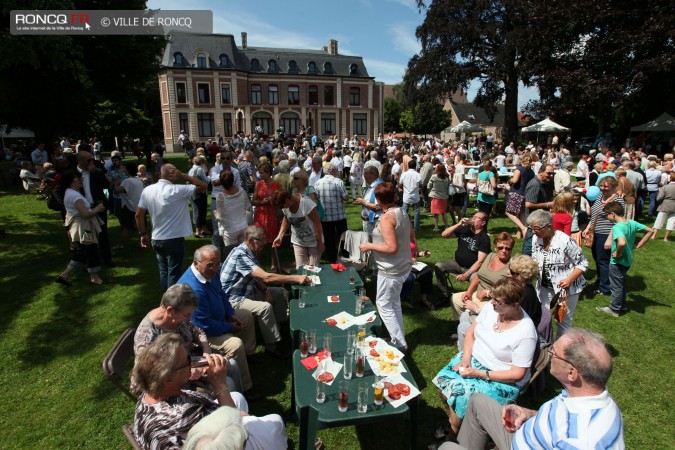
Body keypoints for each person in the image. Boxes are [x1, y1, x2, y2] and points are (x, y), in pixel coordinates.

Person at [439, 328, 625, 450]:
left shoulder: (580, 440)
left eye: (554, 353)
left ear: (571, 373)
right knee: (478, 401)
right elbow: (559, 419)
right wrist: (529, 413)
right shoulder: (588, 395)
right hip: (525, 435)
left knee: (446, 448)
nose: (549, 355)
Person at [132, 334, 287, 450]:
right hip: (217, 442)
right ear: (167, 379)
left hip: (203, 431)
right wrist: (219, 383)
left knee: (237, 397)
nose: (193, 363)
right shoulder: (186, 416)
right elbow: (231, 424)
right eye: (187, 362)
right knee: (276, 421)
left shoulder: (148, 396)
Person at [432, 277, 538, 436]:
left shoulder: (525, 332)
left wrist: (480, 374)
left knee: (459, 396)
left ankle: (453, 433)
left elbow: (517, 374)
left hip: (501, 378)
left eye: (498, 302)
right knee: (442, 384)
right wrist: (466, 358)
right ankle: (458, 423)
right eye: (493, 298)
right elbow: (470, 333)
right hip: (474, 360)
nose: (492, 303)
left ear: (515, 304)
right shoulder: (492, 308)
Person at [177, 246, 259, 399]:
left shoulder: (209, 273)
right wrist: (230, 327)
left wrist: (231, 314)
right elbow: (204, 325)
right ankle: (246, 387)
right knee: (234, 344)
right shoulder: (194, 289)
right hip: (202, 333)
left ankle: (248, 356)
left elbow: (221, 294)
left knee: (246, 315)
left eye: (218, 264)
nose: (215, 269)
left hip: (218, 318)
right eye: (210, 265)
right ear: (196, 263)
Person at [133, 284, 241, 394]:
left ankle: (240, 406)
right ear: (170, 310)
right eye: (187, 315)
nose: (189, 319)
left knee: (232, 365)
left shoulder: (176, 317)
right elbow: (148, 375)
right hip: (173, 381)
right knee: (228, 382)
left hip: (190, 363)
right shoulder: (148, 335)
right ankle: (231, 406)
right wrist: (187, 372)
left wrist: (206, 349)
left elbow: (198, 331)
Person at [221, 226, 310, 359]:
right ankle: (272, 346)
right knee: (265, 308)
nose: (265, 243)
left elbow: (255, 275)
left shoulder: (249, 251)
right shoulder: (241, 255)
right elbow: (266, 277)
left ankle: (280, 329)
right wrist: (296, 278)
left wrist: (265, 290)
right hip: (234, 299)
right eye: (261, 240)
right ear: (251, 240)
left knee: (280, 292)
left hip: (248, 291)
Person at [135, 164, 208, 292]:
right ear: (173, 174)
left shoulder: (148, 190)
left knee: (164, 272)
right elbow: (203, 185)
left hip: (156, 238)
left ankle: (166, 299)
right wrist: (184, 176)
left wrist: (143, 233)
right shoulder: (178, 190)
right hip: (173, 239)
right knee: (174, 274)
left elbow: (138, 214)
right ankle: (172, 303)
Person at [358, 182, 413, 351]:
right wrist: (414, 248)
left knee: (383, 304)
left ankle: (399, 342)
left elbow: (391, 247)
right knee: (393, 303)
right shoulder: (401, 211)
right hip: (402, 265)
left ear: (379, 199)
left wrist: (369, 246)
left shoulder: (387, 218)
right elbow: (411, 233)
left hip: (392, 268)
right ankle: (398, 337)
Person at [529, 210, 588, 338]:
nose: (533, 231)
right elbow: (535, 259)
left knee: (562, 320)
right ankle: (543, 346)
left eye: (536, 228)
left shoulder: (565, 241)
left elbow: (582, 263)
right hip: (544, 286)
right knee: (542, 316)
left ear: (549, 226)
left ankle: (560, 353)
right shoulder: (536, 238)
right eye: (531, 228)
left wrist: (568, 280)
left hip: (567, 289)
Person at [597, 202, 653, 317]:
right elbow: (650, 230)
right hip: (627, 260)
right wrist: (640, 244)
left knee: (616, 286)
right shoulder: (631, 223)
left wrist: (617, 253)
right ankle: (622, 305)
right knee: (621, 283)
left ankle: (614, 309)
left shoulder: (617, 227)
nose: (607, 217)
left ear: (612, 214)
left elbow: (621, 242)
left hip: (617, 261)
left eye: (607, 215)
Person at [452, 233, 515, 335]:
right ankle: (461, 329)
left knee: (468, 313)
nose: (504, 250)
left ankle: (473, 332)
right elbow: (478, 276)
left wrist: (487, 293)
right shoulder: (490, 256)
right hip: (477, 294)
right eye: (500, 247)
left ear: (511, 249)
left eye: (508, 248)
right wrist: (468, 292)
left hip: (493, 301)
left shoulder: (512, 266)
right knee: (455, 299)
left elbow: (508, 291)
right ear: (495, 247)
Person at [54, 171, 106, 286]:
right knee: (91, 251)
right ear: (71, 182)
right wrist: (97, 209)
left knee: (81, 253)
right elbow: (85, 214)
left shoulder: (70, 192)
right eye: (78, 179)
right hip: (83, 227)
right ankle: (94, 278)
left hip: (78, 227)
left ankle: (64, 276)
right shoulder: (75, 196)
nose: (81, 181)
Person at [434, 212, 491, 304]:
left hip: (472, 269)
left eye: (476, 218)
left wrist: (467, 274)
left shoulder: (484, 238)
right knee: (439, 266)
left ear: (483, 223)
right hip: (457, 264)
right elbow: (444, 234)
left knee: (475, 279)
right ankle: (444, 295)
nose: (473, 218)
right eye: (473, 216)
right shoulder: (465, 229)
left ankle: (472, 301)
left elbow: (480, 261)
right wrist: (458, 224)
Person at [582, 176, 625, 296]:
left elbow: (618, 221)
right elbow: (595, 214)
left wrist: (610, 239)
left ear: (613, 186)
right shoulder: (600, 196)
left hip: (606, 234)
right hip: (596, 233)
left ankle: (605, 288)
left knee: (603, 261)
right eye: (601, 186)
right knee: (598, 259)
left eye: (606, 186)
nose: (603, 188)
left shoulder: (617, 200)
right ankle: (600, 281)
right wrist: (588, 228)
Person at [76, 150, 115, 266]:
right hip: (83, 208)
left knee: (103, 233)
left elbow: (106, 185)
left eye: (91, 159)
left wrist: (96, 171)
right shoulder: (74, 174)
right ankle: (88, 261)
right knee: (85, 235)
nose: (91, 161)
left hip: (98, 206)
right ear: (79, 161)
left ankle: (107, 258)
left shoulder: (95, 170)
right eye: (88, 160)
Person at [271, 189, 324, 268]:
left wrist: (320, 243)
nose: (282, 208)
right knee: (300, 269)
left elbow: (317, 223)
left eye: (282, 206)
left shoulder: (306, 203)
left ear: (287, 200)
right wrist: (280, 236)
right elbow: (286, 219)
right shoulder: (285, 206)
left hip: (314, 241)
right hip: (298, 242)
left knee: (313, 270)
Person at [314, 163, 348, 262]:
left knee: (329, 239)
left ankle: (332, 259)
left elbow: (316, 199)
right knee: (344, 237)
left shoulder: (318, 183)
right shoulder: (338, 182)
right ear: (333, 171)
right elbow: (346, 197)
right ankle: (346, 256)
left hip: (325, 216)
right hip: (339, 216)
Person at [251, 162, 281, 272]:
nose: (260, 175)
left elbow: (280, 202)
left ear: (269, 173)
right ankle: (256, 263)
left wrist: (272, 201)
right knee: (258, 239)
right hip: (260, 215)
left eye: (262, 173)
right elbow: (253, 201)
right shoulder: (258, 184)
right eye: (259, 173)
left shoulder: (277, 185)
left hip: (271, 215)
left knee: (272, 241)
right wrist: (261, 202)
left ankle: (273, 264)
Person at [214, 170, 251, 258]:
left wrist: (215, 213)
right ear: (233, 180)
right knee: (243, 254)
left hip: (230, 230)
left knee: (232, 256)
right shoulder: (241, 191)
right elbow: (248, 207)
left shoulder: (220, 196)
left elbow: (220, 217)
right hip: (243, 226)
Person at [522, 164, 555, 256]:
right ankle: (523, 266)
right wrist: (548, 204)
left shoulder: (546, 183)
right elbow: (528, 204)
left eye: (553, 173)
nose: (551, 176)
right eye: (549, 173)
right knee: (529, 249)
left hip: (542, 222)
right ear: (540, 172)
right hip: (534, 224)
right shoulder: (534, 185)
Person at [354, 165, 383, 235]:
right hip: (369, 222)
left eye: (366, 173)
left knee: (373, 243)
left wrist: (363, 202)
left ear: (373, 175)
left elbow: (379, 206)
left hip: (375, 223)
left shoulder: (379, 187)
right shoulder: (371, 185)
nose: (363, 175)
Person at [188, 155, 210, 238]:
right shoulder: (200, 169)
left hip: (193, 192)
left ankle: (204, 228)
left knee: (200, 211)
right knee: (199, 212)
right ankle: (198, 231)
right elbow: (206, 181)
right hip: (200, 192)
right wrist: (210, 176)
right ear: (202, 162)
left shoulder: (191, 170)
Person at [399, 158, 422, 232]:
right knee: (416, 211)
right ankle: (416, 227)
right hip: (415, 195)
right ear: (415, 166)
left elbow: (400, 183)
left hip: (406, 195)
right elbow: (421, 184)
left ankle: (403, 226)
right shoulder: (418, 175)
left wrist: (402, 188)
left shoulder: (404, 174)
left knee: (404, 211)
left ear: (408, 166)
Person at [651, 171, 675, 241]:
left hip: (664, 205)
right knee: (672, 221)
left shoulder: (665, 187)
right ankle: (666, 238)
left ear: (670, 179)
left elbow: (659, 198)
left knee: (659, 220)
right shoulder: (665, 187)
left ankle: (654, 235)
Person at [428, 163, 450, 231]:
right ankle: (446, 226)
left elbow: (429, 186)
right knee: (444, 213)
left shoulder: (434, 176)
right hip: (444, 197)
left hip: (435, 197)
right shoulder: (447, 178)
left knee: (435, 214)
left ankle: (436, 227)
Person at [476, 160, 497, 226]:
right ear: (491, 166)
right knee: (486, 215)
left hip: (481, 196)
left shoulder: (480, 174)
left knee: (480, 214)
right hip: (488, 197)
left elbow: (477, 184)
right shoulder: (491, 174)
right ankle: (484, 230)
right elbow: (494, 185)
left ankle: (479, 226)